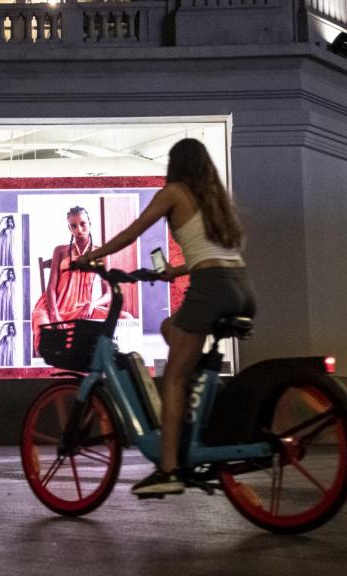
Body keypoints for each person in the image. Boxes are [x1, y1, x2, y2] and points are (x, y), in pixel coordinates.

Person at [75, 138, 255, 496]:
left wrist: (92, 256)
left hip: (210, 288)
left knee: (172, 378)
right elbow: (218, 252)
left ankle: (169, 469)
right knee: (169, 327)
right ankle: (200, 400)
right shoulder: (216, 198)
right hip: (241, 287)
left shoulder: (174, 191)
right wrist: (177, 269)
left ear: (176, 166)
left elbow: (133, 231)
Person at [30, 206, 111, 354]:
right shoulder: (60, 251)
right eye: (73, 226)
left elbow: (109, 294)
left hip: (82, 308)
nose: (79, 229)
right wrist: (54, 315)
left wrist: (92, 304)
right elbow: (51, 287)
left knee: (126, 318)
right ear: (69, 228)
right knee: (45, 334)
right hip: (52, 307)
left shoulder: (102, 253)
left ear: (90, 224)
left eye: (83, 224)